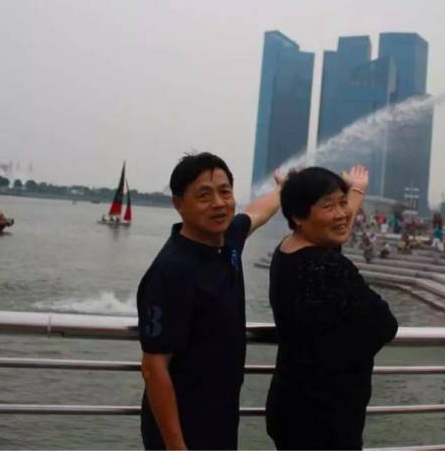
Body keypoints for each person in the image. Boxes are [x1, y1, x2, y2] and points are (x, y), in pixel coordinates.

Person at [136, 152, 283, 450]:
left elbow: (257, 213)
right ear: (179, 204)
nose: (219, 203)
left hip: (221, 419)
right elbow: (154, 367)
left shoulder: (227, 240)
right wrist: (176, 447)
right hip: (183, 430)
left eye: (225, 192)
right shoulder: (172, 271)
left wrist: (283, 189)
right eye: (204, 195)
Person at [266, 165, 398, 450]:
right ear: (297, 216)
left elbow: (332, 233)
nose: (342, 213)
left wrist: (357, 190)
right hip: (325, 420)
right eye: (329, 206)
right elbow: (385, 324)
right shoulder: (328, 268)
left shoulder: (288, 250)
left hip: (291, 407)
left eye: (342, 202)